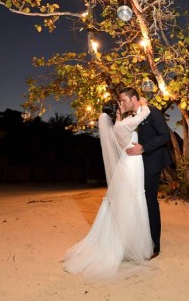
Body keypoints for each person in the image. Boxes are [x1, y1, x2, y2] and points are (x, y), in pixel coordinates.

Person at [63, 98, 153, 279]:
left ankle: (128, 244)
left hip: (126, 165)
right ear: (117, 111)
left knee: (126, 202)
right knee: (131, 202)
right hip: (132, 166)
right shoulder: (124, 125)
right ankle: (128, 247)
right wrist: (143, 102)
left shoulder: (117, 126)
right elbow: (145, 113)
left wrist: (121, 115)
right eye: (120, 104)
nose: (122, 105)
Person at [119, 87, 173, 259]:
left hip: (152, 163)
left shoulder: (152, 112)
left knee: (150, 203)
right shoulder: (131, 118)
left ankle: (155, 247)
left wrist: (144, 148)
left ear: (134, 99)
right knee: (137, 203)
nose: (122, 103)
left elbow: (165, 135)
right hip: (135, 166)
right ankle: (140, 240)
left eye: (124, 100)